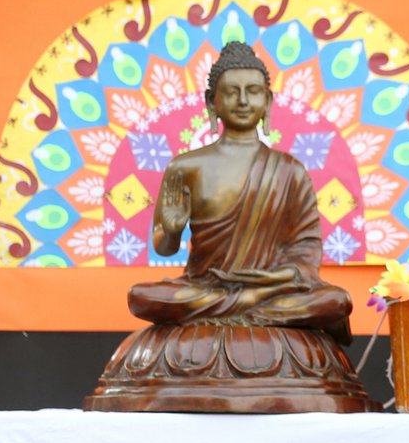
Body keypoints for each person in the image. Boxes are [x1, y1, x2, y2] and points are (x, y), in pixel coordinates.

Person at [129, 40, 354, 348]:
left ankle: (248, 305)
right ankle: (254, 310)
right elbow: (164, 248)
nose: (243, 100)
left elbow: (306, 249)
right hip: (206, 287)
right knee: (141, 297)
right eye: (232, 91)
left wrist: (271, 281)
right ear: (212, 101)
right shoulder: (185, 167)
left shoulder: (289, 170)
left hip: (268, 290)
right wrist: (171, 230)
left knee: (336, 300)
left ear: (268, 101)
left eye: (253, 91)